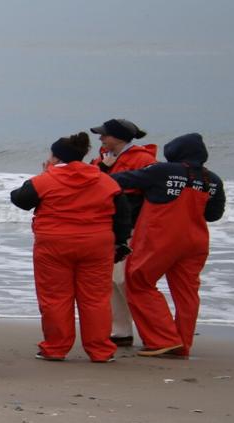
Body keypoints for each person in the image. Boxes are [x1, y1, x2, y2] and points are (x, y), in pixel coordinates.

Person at [9, 132, 132, 363]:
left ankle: (55, 349)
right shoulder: (105, 180)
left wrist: (44, 175)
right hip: (96, 244)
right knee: (96, 298)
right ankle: (100, 351)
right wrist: (121, 241)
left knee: (55, 297)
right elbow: (123, 214)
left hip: (55, 244)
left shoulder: (46, 179)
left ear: (55, 158)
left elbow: (20, 200)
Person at [110, 133, 226, 358]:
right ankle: (182, 344)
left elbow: (121, 180)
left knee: (138, 281)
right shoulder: (212, 180)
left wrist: (105, 169)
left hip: (161, 238)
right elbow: (213, 215)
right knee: (187, 293)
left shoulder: (162, 171)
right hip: (196, 242)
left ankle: (162, 340)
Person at [89, 119, 158, 348]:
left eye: (104, 135)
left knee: (124, 279)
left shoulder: (144, 159)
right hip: (105, 226)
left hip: (132, 228)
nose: (100, 139)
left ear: (118, 137)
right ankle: (121, 331)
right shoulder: (101, 158)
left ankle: (153, 331)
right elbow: (90, 183)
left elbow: (151, 194)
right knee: (109, 280)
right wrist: (103, 168)